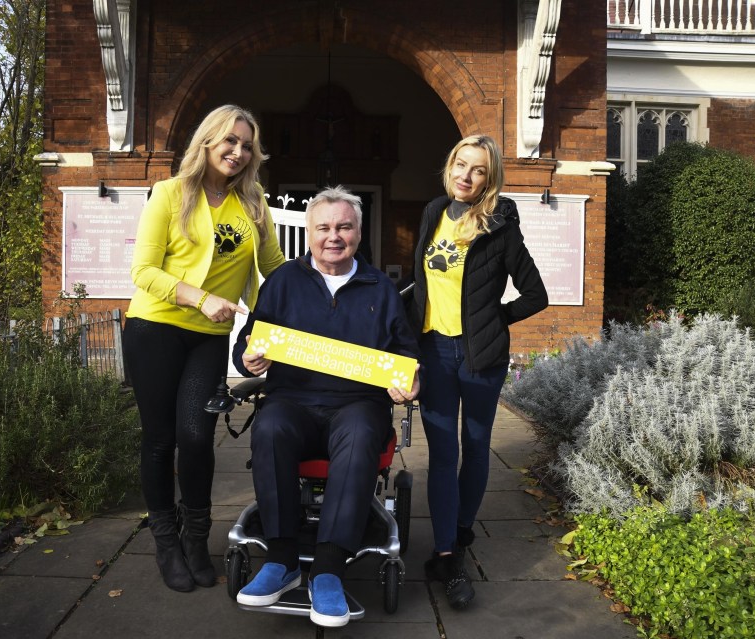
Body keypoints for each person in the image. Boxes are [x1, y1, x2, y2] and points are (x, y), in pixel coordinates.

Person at [231, 186, 420, 628]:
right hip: (292, 399)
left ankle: (330, 568)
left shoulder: (382, 289)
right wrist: (249, 357)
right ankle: (281, 560)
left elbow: (407, 355)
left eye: (344, 227)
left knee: (358, 435)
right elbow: (249, 341)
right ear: (310, 233)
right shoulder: (283, 282)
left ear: (357, 232)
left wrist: (411, 381)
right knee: (270, 427)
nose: (333, 236)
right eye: (324, 228)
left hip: (357, 403)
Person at [123, 105, 286, 593]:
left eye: (246, 145)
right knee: (159, 440)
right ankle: (166, 543)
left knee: (196, 437)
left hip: (209, 340)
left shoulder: (253, 204)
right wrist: (199, 297)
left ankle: (196, 539)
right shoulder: (171, 195)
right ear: (208, 143)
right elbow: (144, 271)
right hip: (155, 328)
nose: (238, 152)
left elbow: (274, 270)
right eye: (229, 142)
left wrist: (318, 295)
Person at [409, 135, 548, 610]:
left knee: (476, 443)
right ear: (449, 167)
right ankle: (447, 552)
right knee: (443, 453)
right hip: (434, 352)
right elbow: (422, 284)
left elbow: (535, 294)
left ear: (491, 179)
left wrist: (493, 321)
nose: (466, 176)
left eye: (478, 170)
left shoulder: (500, 225)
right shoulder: (433, 213)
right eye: (460, 165)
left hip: (480, 357)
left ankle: (463, 528)